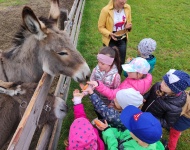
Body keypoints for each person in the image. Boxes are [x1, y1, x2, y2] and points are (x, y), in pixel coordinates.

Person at [96, 105, 164, 149]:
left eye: (130, 128)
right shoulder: (144, 137)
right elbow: (123, 135)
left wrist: (109, 134)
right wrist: (108, 129)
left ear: (140, 140)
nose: (128, 129)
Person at [88, 57, 152, 101]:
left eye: (130, 71)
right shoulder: (145, 79)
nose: (127, 71)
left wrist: (99, 85)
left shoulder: (128, 88)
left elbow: (113, 95)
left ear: (140, 74)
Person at [98, 0, 132, 64]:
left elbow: (129, 23)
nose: (124, 2)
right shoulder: (105, 10)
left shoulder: (127, 8)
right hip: (110, 39)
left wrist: (128, 27)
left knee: (120, 62)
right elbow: (101, 27)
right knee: (108, 62)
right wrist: (109, 34)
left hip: (122, 38)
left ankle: (118, 74)